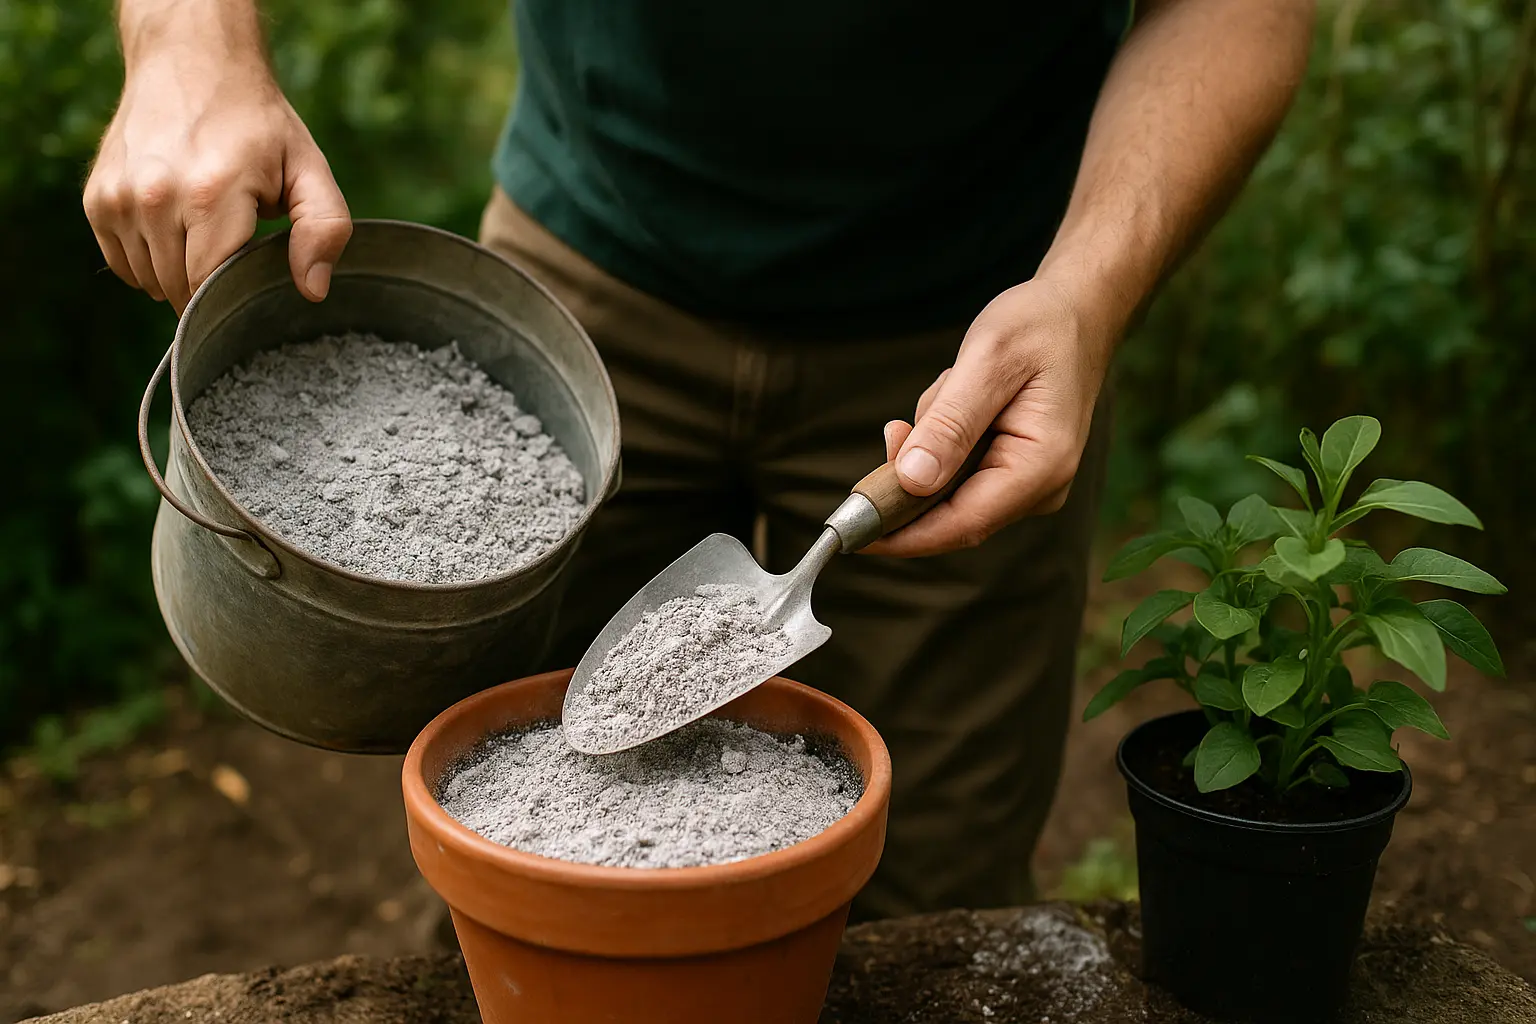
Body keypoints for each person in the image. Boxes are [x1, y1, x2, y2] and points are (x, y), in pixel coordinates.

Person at [84, 0, 1315, 918]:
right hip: (582, 291)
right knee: (506, 850)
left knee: (937, 905)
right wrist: (189, 44)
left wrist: (1088, 292)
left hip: (978, 328)